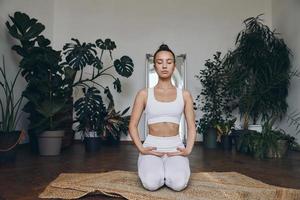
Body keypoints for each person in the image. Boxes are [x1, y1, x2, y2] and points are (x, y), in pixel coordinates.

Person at [129, 44, 196, 191]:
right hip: (152, 146)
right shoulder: (144, 94)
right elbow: (132, 125)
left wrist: (188, 149)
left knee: (178, 184)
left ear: (174, 66)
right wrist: (141, 149)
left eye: (169, 62)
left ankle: (168, 172)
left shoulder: (184, 95)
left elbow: (191, 126)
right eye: (160, 62)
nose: (164, 66)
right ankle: (157, 170)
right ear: (155, 66)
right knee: (151, 184)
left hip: (175, 147)